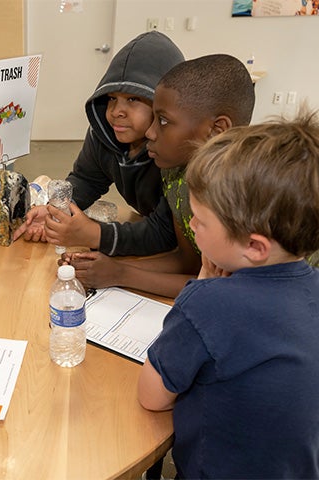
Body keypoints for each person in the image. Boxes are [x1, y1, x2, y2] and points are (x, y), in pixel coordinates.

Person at [138, 109, 319, 479]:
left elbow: (151, 397)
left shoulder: (208, 304)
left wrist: (202, 284)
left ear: (254, 247)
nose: (190, 224)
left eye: (201, 221)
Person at [65, 54, 256, 298]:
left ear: (217, 130)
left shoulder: (247, 196)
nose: (151, 132)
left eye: (163, 120)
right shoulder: (177, 174)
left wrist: (121, 274)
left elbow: (223, 289)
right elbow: (189, 262)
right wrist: (105, 267)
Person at [13, 31, 184, 257]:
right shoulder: (105, 134)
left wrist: (95, 234)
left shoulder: (176, 152)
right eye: (112, 98)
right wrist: (57, 211)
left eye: (133, 99)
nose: (116, 112)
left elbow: (165, 232)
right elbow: (87, 179)